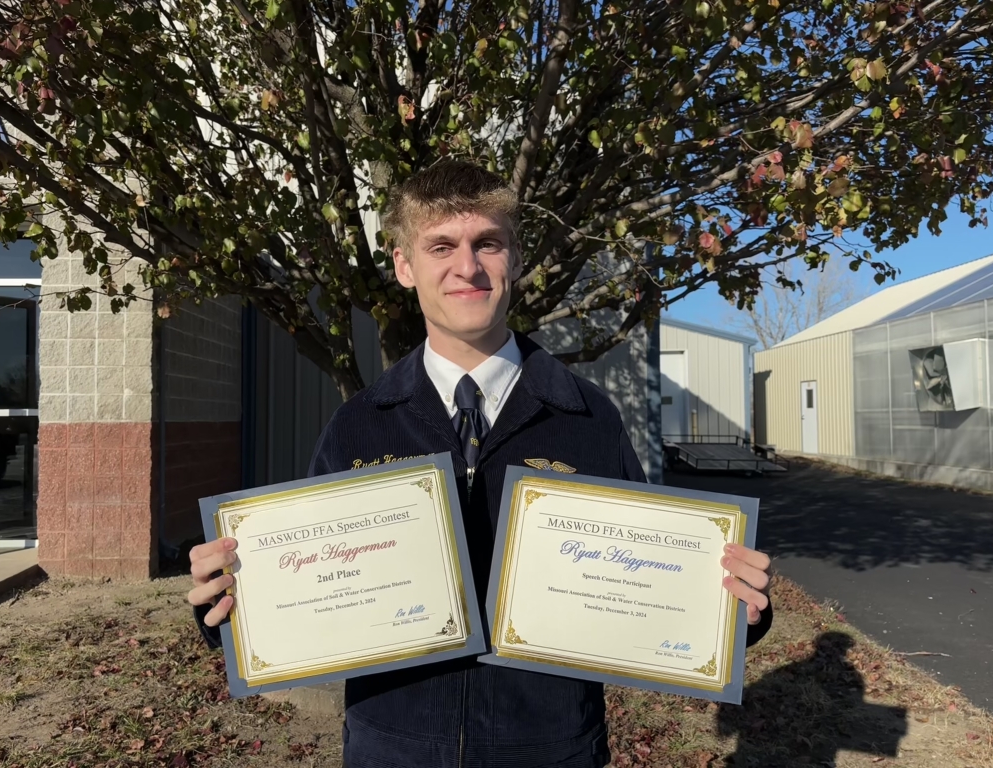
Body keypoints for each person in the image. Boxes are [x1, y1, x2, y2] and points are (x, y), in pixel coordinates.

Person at [187, 160, 774, 768]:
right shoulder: (360, 422)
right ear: (404, 266)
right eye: (441, 245)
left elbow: (659, 579)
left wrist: (734, 610)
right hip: (393, 749)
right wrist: (229, 607)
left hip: (551, 750)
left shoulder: (587, 417)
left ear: (513, 260)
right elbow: (299, 592)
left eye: (486, 243)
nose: (467, 267)